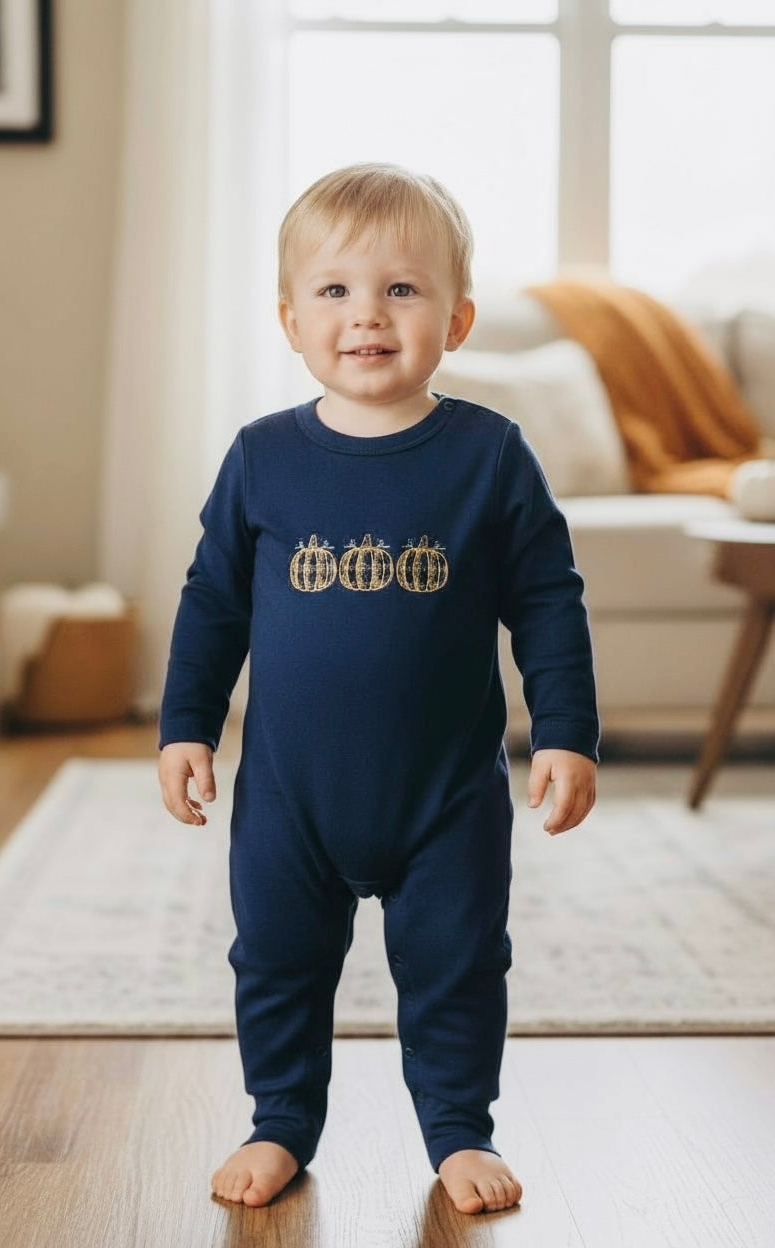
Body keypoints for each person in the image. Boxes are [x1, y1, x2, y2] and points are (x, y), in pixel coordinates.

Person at [158, 163, 599, 1215]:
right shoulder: (263, 459)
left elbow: (547, 599)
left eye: (402, 290)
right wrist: (186, 725)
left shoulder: (489, 456)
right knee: (275, 958)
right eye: (336, 291)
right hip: (291, 796)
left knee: (456, 963)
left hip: (444, 793)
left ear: (456, 319)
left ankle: (457, 1129)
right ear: (290, 319)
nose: (368, 315)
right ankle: (280, 1120)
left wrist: (566, 732)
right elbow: (212, 600)